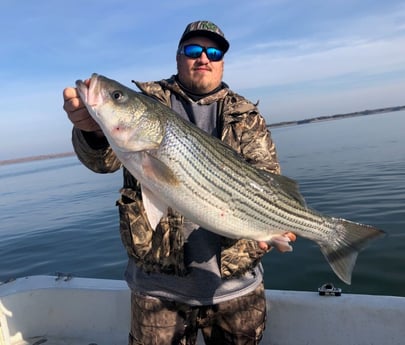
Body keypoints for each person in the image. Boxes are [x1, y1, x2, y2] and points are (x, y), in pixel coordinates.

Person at [63, 20, 295, 345]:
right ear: (178, 57)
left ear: (222, 62)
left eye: (213, 51)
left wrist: (272, 225)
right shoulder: (150, 102)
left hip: (236, 290)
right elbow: (102, 163)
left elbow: (268, 181)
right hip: (158, 291)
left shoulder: (247, 116)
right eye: (192, 50)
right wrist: (92, 132)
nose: (203, 58)